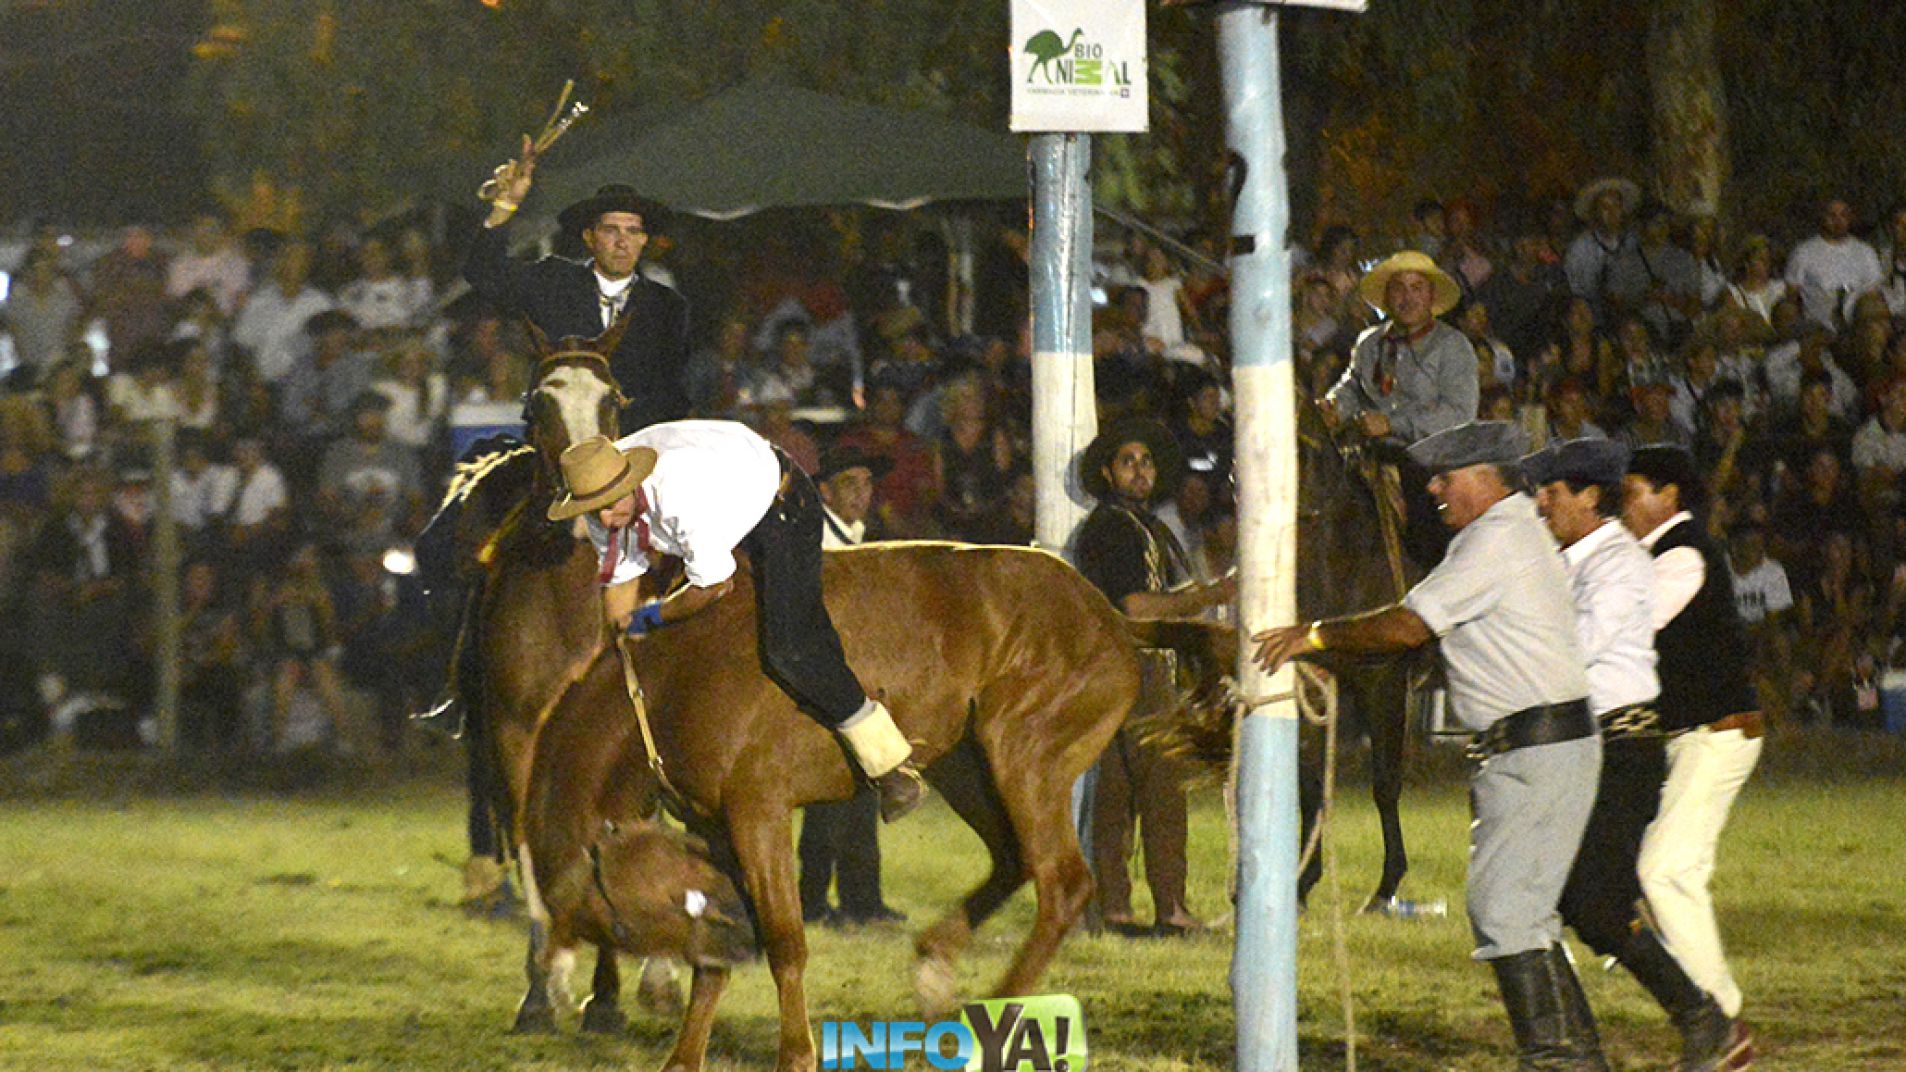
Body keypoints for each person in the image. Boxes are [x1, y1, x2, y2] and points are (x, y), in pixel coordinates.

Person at [1254, 420, 1606, 1070]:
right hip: (1539, 745)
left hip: (1536, 747)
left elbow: (1409, 626)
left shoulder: (1495, 538)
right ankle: (1574, 1060)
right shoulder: (1506, 534)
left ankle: (1561, 1061)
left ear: (1484, 478)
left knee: (1505, 912)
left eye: (1445, 478)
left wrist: (1314, 636)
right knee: (1521, 916)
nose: (1433, 490)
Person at [547, 423, 925, 820]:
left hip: (780, 504)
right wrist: (620, 646)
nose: (606, 518)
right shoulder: (601, 501)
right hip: (727, 496)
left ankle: (890, 767)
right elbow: (622, 586)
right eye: (595, 509)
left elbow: (713, 586)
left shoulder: (678, 494)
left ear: (631, 482)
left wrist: (651, 616)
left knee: (791, 648)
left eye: (611, 504)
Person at [1524, 439, 1741, 1072]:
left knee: (1595, 901)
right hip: (1587, 745)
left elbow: (1578, 649)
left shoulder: (1618, 563)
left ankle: (1701, 1017)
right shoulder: (1566, 563)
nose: (1541, 504)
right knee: (1559, 897)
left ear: (1590, 497)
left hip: (1623, 747)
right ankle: (1578, 1041)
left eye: (1552, 492)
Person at [1622, 446, 1761, 1066]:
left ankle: (1721, 1018)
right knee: (1674, 872)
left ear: (1669, 495)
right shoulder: (1669, 553)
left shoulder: (1682, 554)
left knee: (1663, 871)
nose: (1624, 505)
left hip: (1715, 735)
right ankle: (1717, 1016)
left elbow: (1630, 626)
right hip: (1701, 735)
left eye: (1633, 492)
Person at [1074, 419, 1234, 938]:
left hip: (1123, 669)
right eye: (1127, 462)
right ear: (1107, 472)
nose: (1140, 471)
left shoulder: (1146, 526)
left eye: (1145, 462)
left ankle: (1115, 909)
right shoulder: (1113, 527)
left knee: (1115, 792)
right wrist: (1208, 597)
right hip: (1135, 663)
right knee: (1163, 787)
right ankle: (1171, 909)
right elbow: (1138, 608)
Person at [464, 143, 689, 432]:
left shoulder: (666, 305)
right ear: (589, 237)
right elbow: (483, 271)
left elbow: (672, 393)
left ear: (644, 240)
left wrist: (620, 419)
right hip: (558, 443)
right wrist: (506, 205)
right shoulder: (554, 282)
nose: (622, 242)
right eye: (610, 230)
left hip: (636, 442)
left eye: (633, 231)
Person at [797, 445, 905, 927]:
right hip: (825, 676)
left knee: (861, 787)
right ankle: (814, 902)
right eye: (850, 484)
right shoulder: (814, 539)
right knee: (833, 792)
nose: (863, 494)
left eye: (867, 484)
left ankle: (861, 901)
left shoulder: (861, 537)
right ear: (825, 491)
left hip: (856, 676)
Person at [1324, 251, 1478, 445]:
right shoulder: (1369, 342)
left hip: (1434, 457)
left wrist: (1392, 424)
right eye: (1398, 288)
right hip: (1372, 453)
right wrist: (1333, 406)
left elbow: (1460, 414)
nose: (1407, 298)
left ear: (1431, 296)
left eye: (1417, 288)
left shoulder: (1452, 345)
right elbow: (1353, 387)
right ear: (1387, 296)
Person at [1784, 198, 1881, 329]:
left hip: (1859, 328)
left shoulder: (1866, 252)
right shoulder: (1803, 252)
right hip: (1817, 328)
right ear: (1823, 217)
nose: (1838, 221)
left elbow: (1873, 294)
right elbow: (1792, 294)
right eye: (1832, 215)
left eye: (1843, 215)